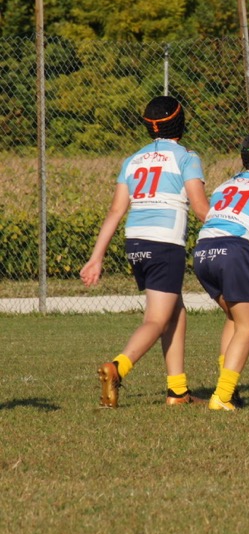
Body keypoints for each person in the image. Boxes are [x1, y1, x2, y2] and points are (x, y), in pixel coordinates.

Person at [80, 96, 209, 408]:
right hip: (165, 242)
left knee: (175, 311)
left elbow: (116, 210)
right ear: (181, 123)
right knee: (156, 319)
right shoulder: (187, 157)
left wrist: (96, 257)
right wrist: (234, 225)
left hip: (135, 241)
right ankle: (118, 367)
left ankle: (177, 391)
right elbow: (201, 208)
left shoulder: (133, 160)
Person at [193, 131, 249, 411]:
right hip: (233, 250)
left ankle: (228, 391)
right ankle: (222, 396)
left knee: (234, 317)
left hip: (202, 251)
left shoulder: (224, 185)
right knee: (248, 323)